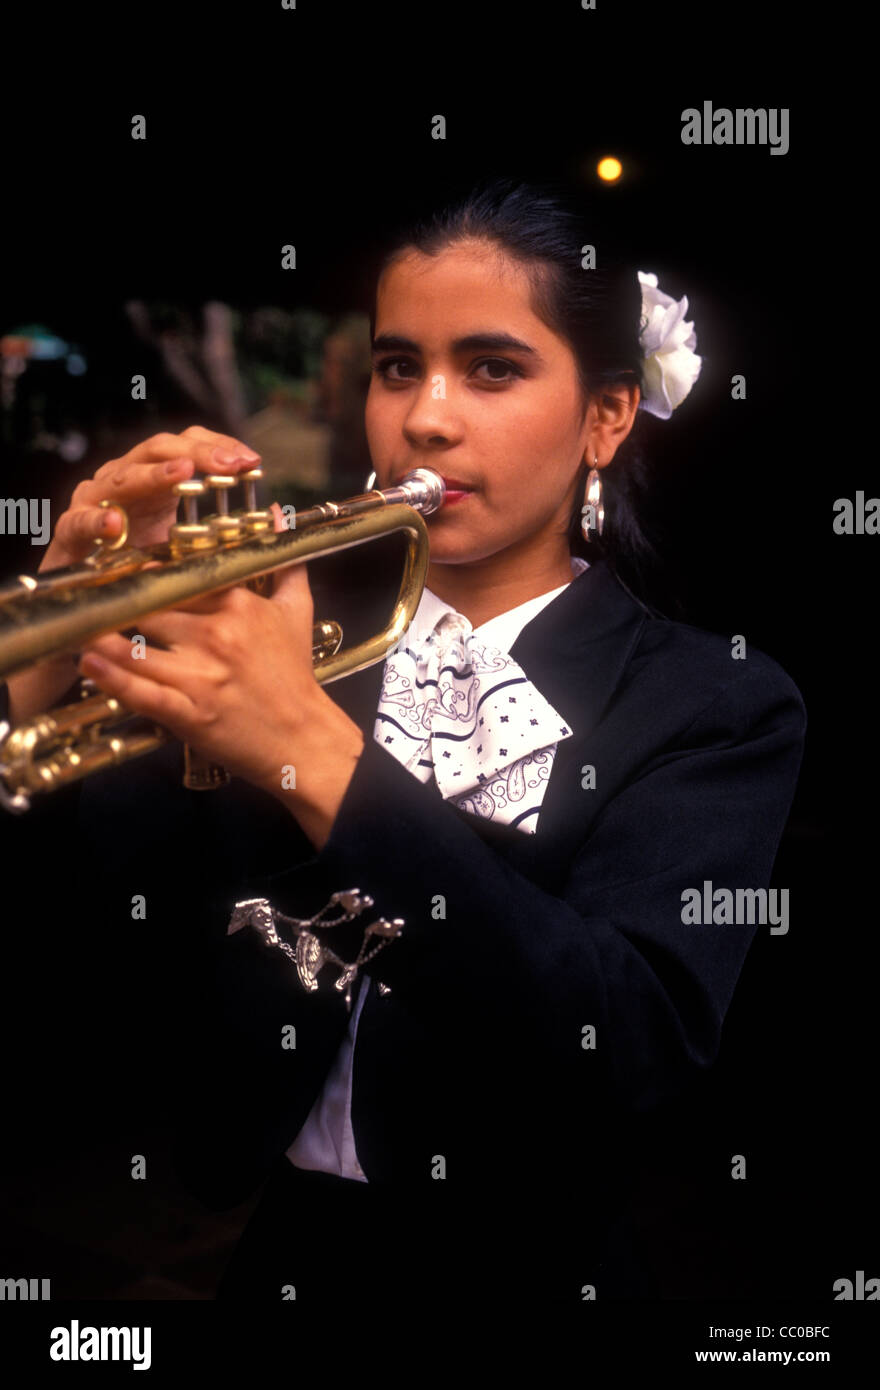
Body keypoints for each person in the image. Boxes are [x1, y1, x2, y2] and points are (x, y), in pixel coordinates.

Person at [0, 177, 806, 1303]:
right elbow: (77, 930)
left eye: (491, 368)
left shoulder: (710, 702)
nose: (424, 417)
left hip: (532, 1278)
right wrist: (50, 653)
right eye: (396, 366)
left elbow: (630, 1041)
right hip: (279, 1257)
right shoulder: (295, 640)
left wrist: (312, 754)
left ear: (607, 416)